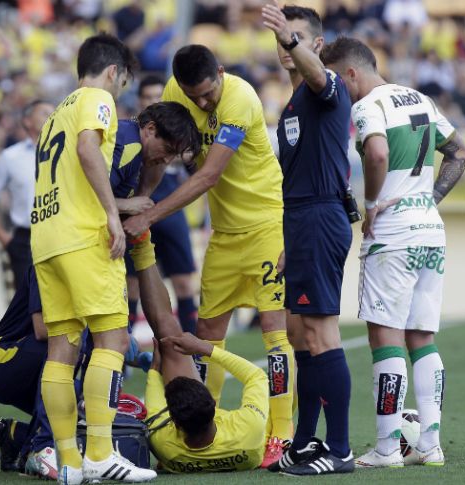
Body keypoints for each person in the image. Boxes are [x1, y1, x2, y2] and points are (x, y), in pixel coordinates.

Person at [123, 44, 294, 467]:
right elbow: (164, 151)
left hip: (267, 225)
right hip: (224, 232)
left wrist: (149, 216)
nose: (201, 102)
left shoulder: (240, 97)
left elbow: (209, 174)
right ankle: (203, 416)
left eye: (206, 93)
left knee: (274, 331)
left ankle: (283, 434)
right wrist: (142, 198)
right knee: (205, 332)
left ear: (220, 72)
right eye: (191, 94)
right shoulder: (173, 91)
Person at [320, 36, 465, 468]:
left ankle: (387, 448)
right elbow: (460, 153)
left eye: (337, 79)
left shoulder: (368, 106)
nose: (337, 89)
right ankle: (430, 443)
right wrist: (428, 199)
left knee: (385, 338)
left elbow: (378, 151)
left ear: (351, 72)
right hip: (429, 229)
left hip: (392, 234)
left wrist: (371, 205)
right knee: (422, 338)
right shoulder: (422, 100)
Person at [31, 33, 156, 484]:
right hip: (83, 238)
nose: (120, 89)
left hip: (46, 238)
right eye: (122, 80)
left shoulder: (53, 115)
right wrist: (110, 212)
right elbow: (88, 149)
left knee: (62, 351)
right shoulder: (97, 99)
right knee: (112, 341)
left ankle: (68, 463)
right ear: (113, 72)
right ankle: (101, 454)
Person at [261, 3, 355, 475]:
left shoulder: (327, 89)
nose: (284, 44)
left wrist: (290, 38)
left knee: (320, 333)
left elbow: (320, 78)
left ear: (315, 45)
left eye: (294, 36)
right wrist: (288, 241)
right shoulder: (293, 104)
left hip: (320, 217)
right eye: (279, 37)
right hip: (300, 223)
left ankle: (339, 450)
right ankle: (304, 441)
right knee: (298, 333)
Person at [126, 238, 269, 473]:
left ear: (175, 422)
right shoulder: (248, 429)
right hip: (241, 438)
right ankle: (284, 435)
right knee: (291, 357)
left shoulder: (162, 444)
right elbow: (257, 377)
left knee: (168, 338)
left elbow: (255, 376)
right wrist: (201, 349)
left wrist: (156, 370)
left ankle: (141, 243)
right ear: (213, 404)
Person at [124, 75, 199, 335]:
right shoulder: (135, 135)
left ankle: (192, 348)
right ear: (140, 101)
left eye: (158, 96)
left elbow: (194, 164)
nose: (153, 100)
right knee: (132, 283)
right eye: (148, 97)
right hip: (136, 206)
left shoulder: (174, 133)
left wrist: (177, 154)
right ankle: (124, 349)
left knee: (183, 282)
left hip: (170, 207)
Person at [0, 266, 57, 479]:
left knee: (80, 415)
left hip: (30, 359)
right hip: (4, 359)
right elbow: (42, 330)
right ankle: (40, 447)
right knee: (66, 346)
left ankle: (15, 436)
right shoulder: (48, 261)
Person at [0, 100, 56, 289]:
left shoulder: (68, 152)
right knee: (25, 304)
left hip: (60, 235)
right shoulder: (10, 156)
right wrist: (1, 235)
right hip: (25, 240)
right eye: (44, 112)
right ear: (27, 121)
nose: (51, 116)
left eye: (53, 112)